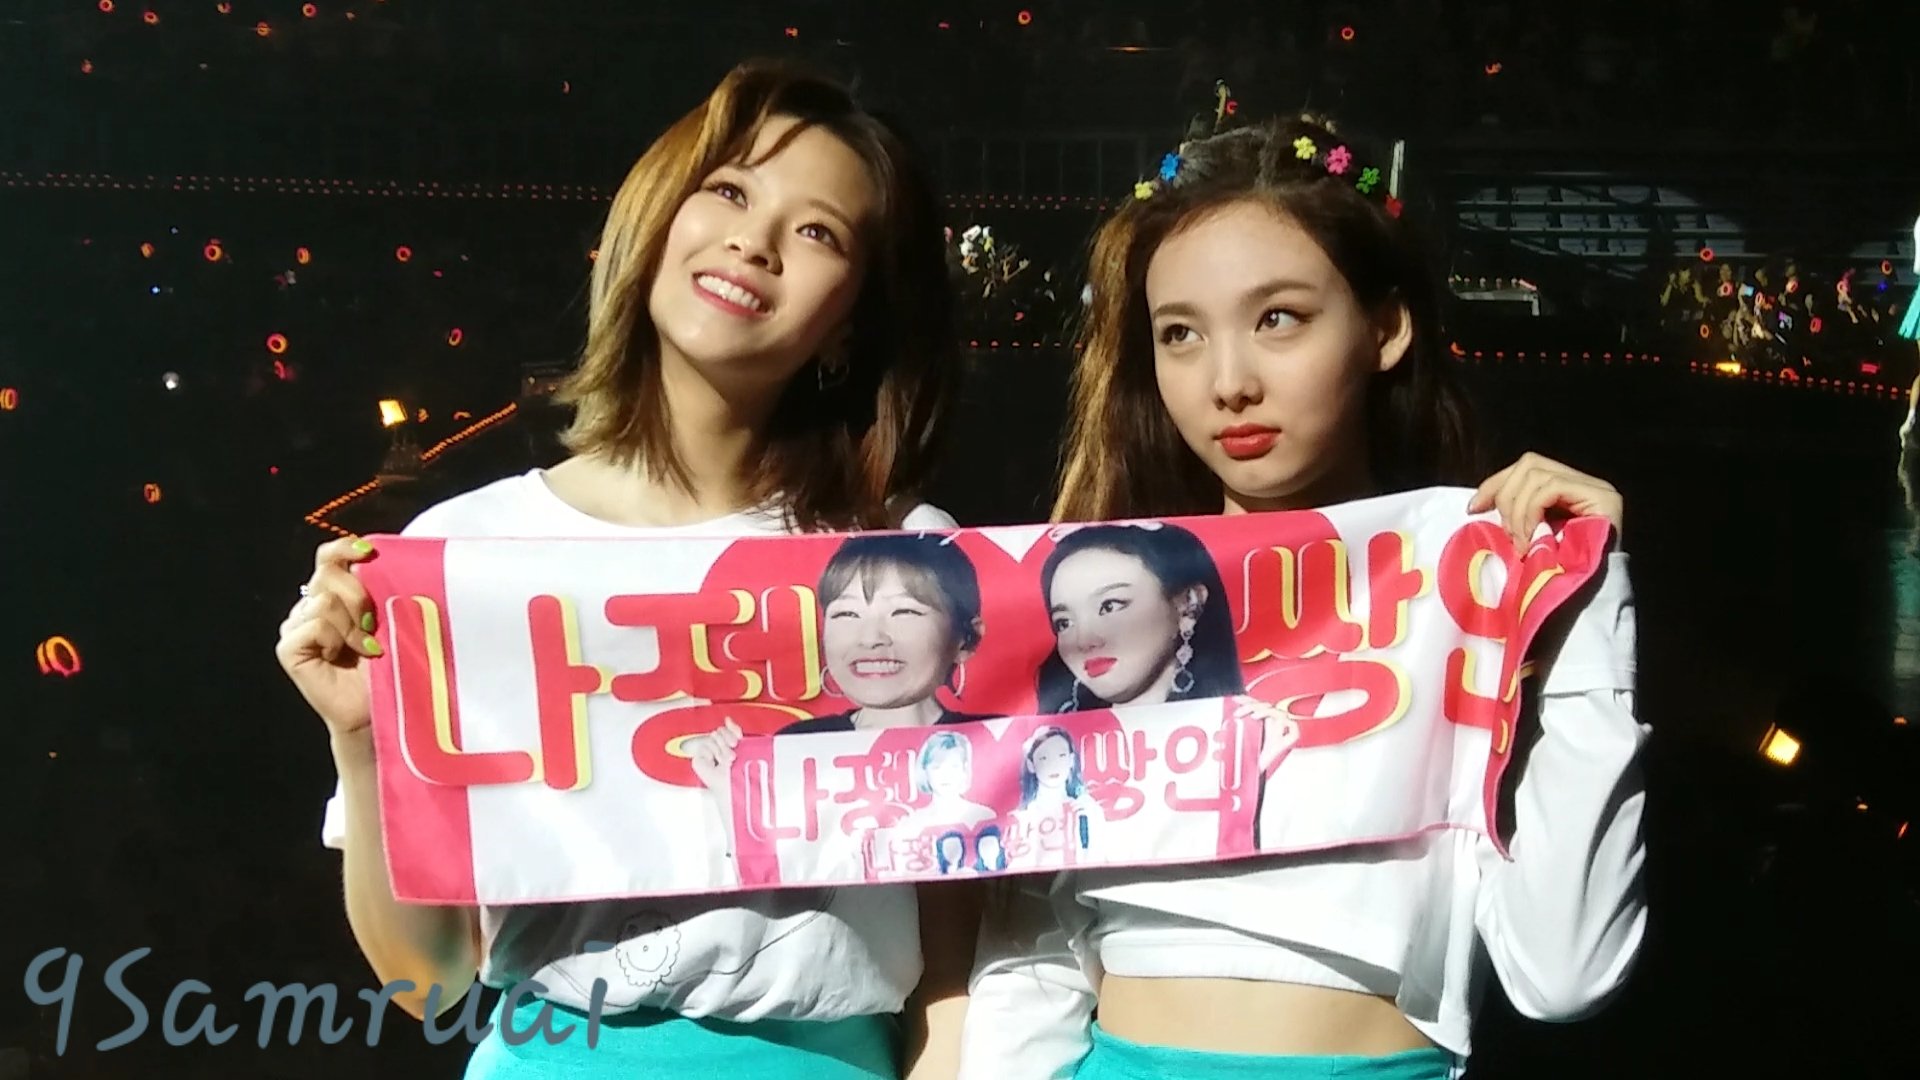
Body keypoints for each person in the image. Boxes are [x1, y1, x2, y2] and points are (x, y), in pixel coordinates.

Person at [276, 60, 976, 1080]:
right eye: (728, 190)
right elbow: (427, 980)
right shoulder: (466, 554)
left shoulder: (906, 560)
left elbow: (961, 922)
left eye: (818, 232)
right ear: (657, 218)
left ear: (853, 318)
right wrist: (363, 740)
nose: (754, 241)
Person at [959, 115, 1647, 1080]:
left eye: (1278, 318)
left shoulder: (1479, 599)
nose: (1228, 382)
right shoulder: (1094, 604)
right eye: (1180, 334)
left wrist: (1587, 603)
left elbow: (1564, 973)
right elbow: (1031, 958)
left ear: (1386, 328)